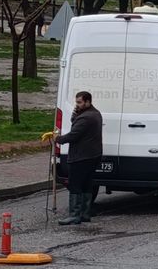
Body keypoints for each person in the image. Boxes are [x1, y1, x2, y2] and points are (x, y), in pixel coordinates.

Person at [44, 91, 102, 225]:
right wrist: (76, 113)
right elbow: (76, 124)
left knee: (75, 184)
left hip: (81, 157)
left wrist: (56, 138)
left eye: (80, 102)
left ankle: (74, 214)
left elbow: (73, 135)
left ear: (88, 102)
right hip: (93, 155)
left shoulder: (86, 118)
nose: (77, 104)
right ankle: (85, 213)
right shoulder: (95, 114)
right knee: (87, 184)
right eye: (77, 102)